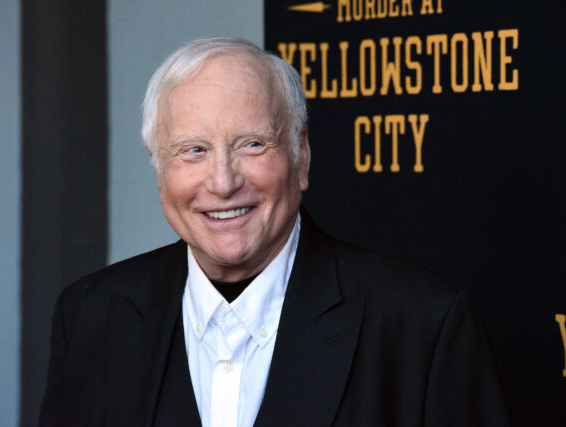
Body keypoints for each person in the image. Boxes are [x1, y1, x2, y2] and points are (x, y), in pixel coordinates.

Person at [40, 37, 510, 426]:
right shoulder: (89, 316)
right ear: (159, 171)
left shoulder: (423, 326)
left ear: (301, 156)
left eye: (252, 144)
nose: (223, 182)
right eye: (193, 150)